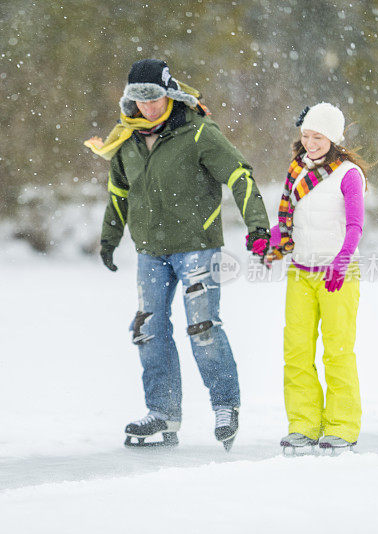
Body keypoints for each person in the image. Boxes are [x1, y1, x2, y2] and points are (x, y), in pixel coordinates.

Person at [85, 59, 271, 450]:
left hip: (197, 248)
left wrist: (257, 226)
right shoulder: (126, 141)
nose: (147, 105)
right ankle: (163, 413)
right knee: (148, 330)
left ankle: (225, 406)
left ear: (169, 93)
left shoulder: (199, 132)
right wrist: (109, 239)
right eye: (138, 97)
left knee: (203, 329)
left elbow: (240, 174)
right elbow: (120, 195)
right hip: (151, 251)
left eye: (154, 96)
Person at [267, 103, 367, 455]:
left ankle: (341, 426)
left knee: (337, 352)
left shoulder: (348, 174)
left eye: (318, 137)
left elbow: (355, 224)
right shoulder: (296, 171)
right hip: (301, 272)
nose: (310, 143)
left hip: (339, 274)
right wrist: (272, 240)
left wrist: (342, 260)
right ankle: (303, 424)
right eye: (306, 136)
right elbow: (289, 220)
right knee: (296, 352)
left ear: (334, 138)